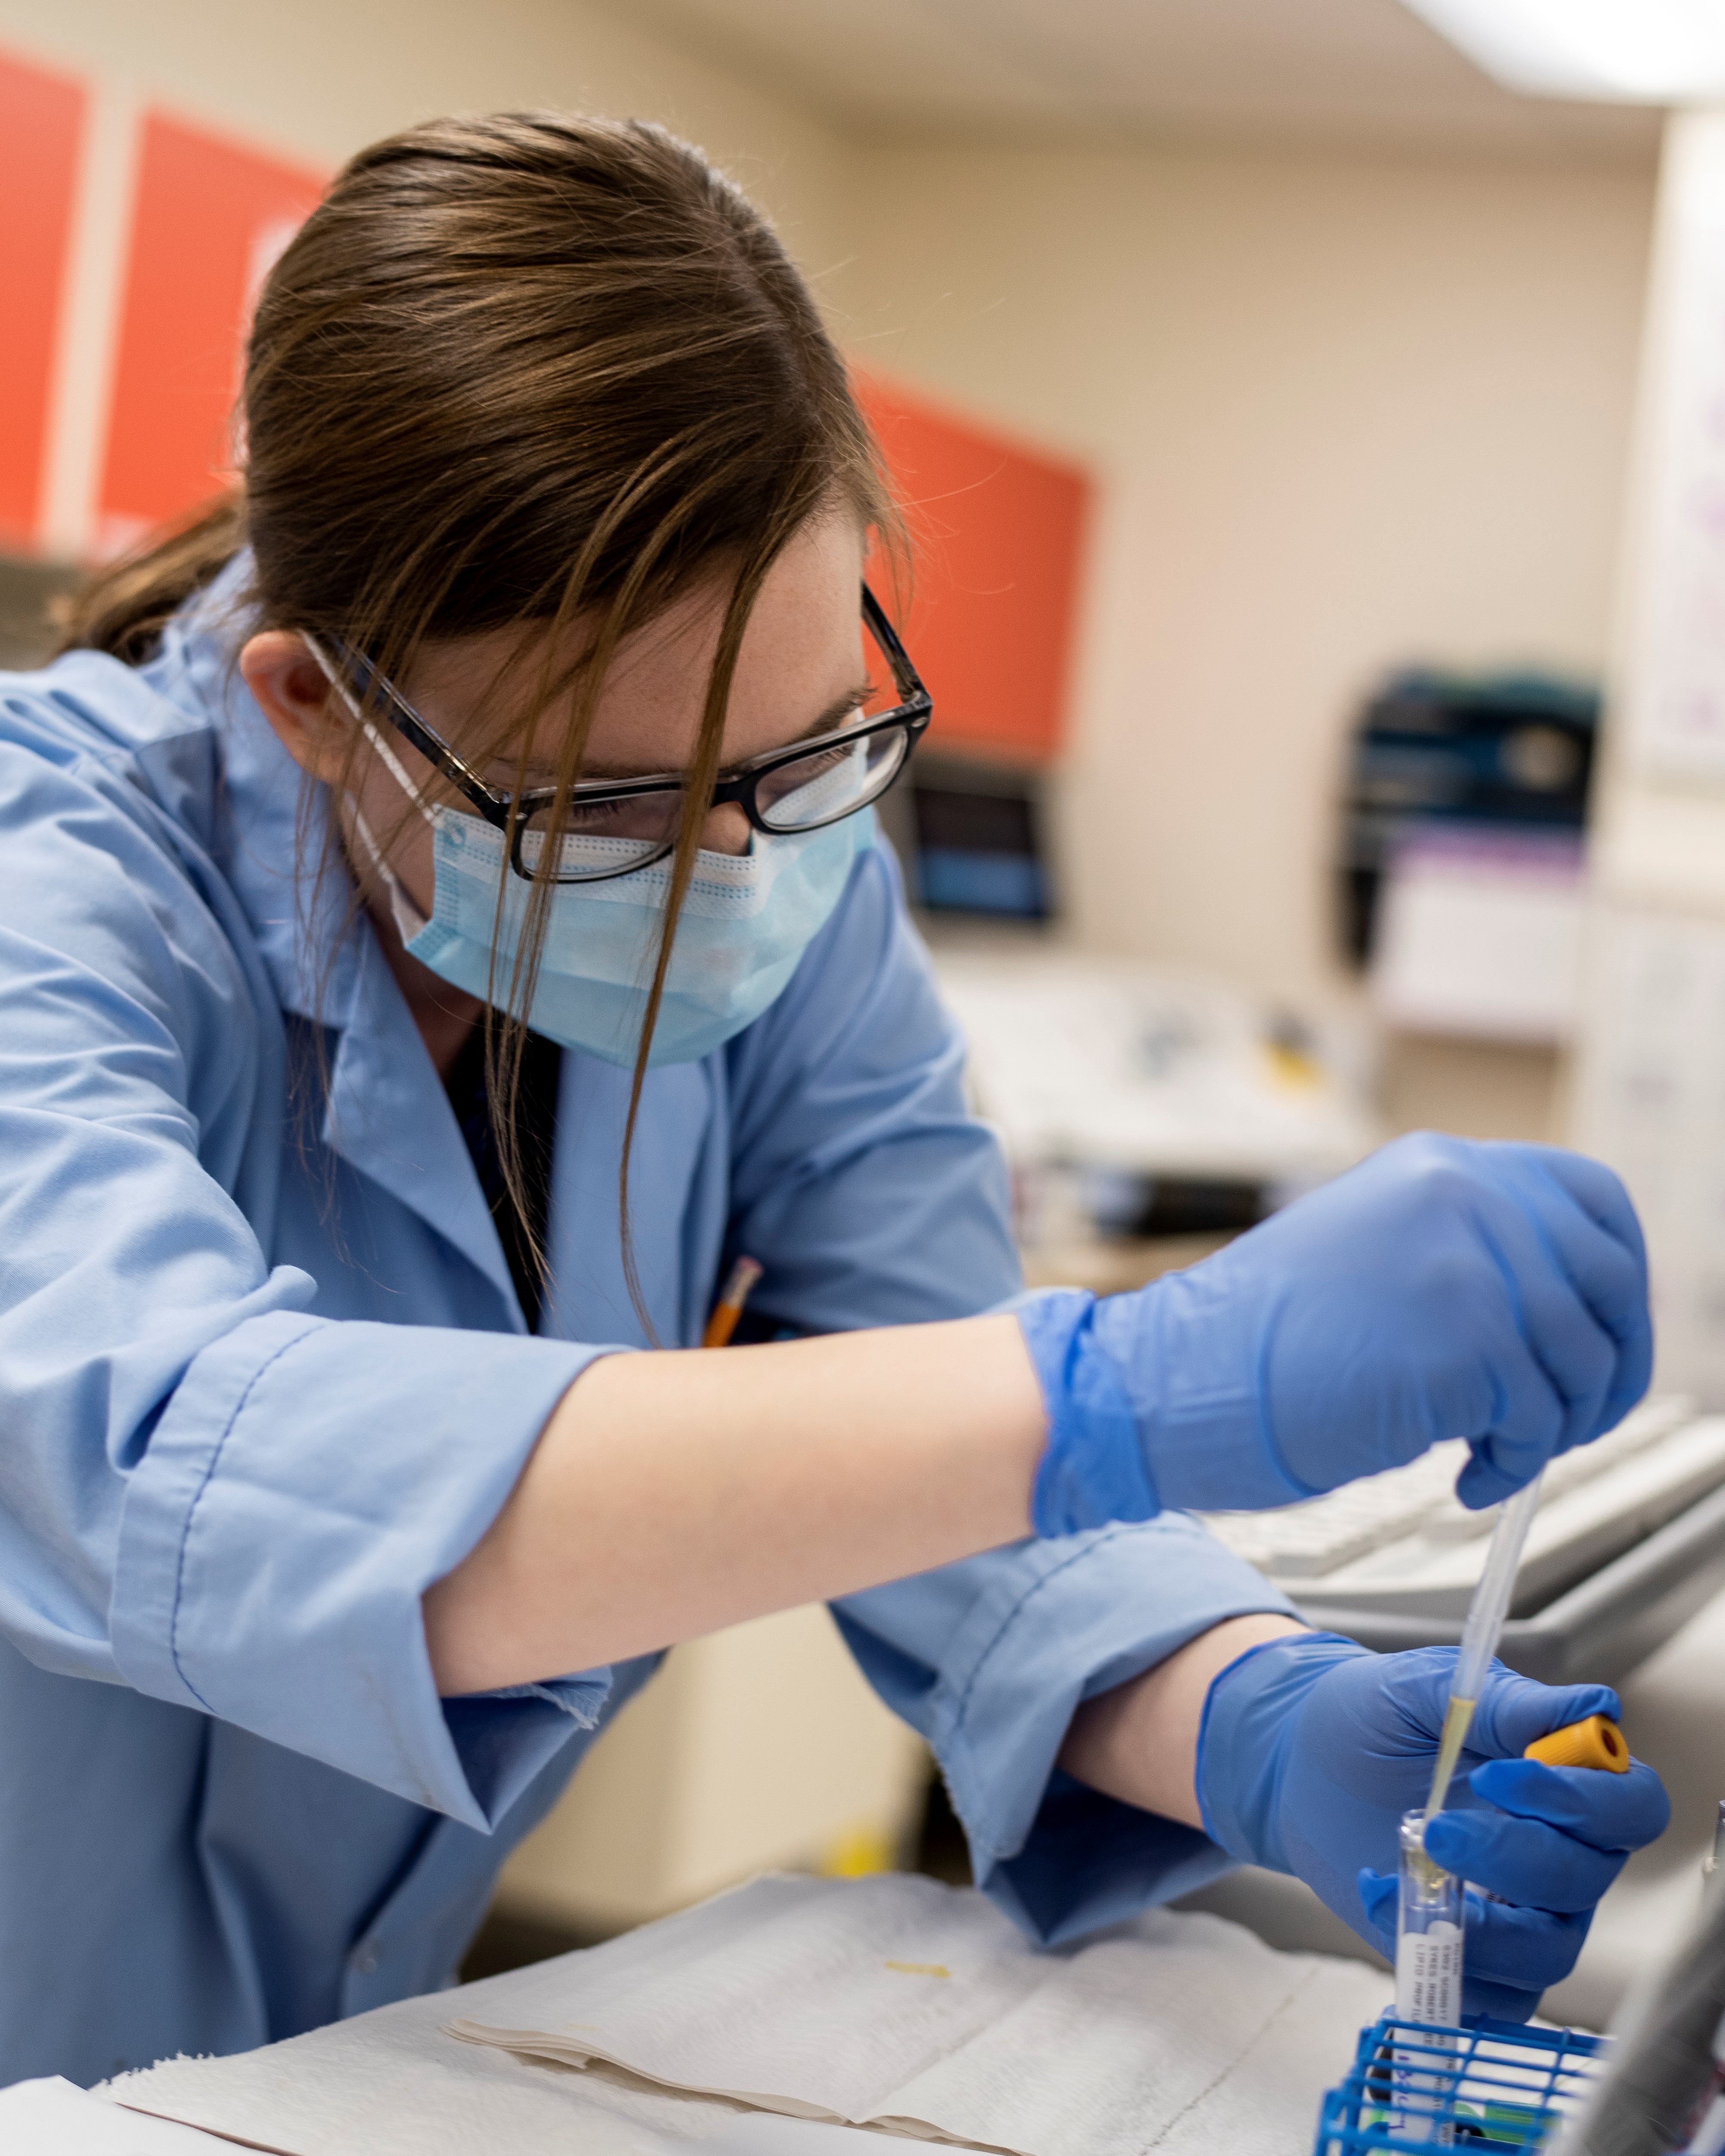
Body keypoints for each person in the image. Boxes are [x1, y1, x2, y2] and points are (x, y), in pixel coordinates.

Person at [0, 111, 1666, 2088]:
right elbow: (159, 1457)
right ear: (310, 701)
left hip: (339, 2065)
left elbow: (930, 1422)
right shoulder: (61, 883)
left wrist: (1243, 1705)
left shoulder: (783, 863)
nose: (728, 857)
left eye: (801, 745)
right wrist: (1118, 1386)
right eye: (608, 800)